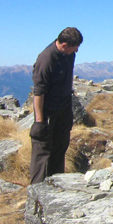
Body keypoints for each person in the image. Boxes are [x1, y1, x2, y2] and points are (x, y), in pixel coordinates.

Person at [30, 27, 83, 184]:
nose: (77, 50)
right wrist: (39, 122)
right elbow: (38, 93)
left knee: (60, 146)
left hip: (64, 107)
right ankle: (37, 189)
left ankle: (55, 183)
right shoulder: (46, 59)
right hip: (47, 111)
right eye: (75, 47)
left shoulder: (69, 55)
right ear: (65, 45)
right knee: (42, 151)